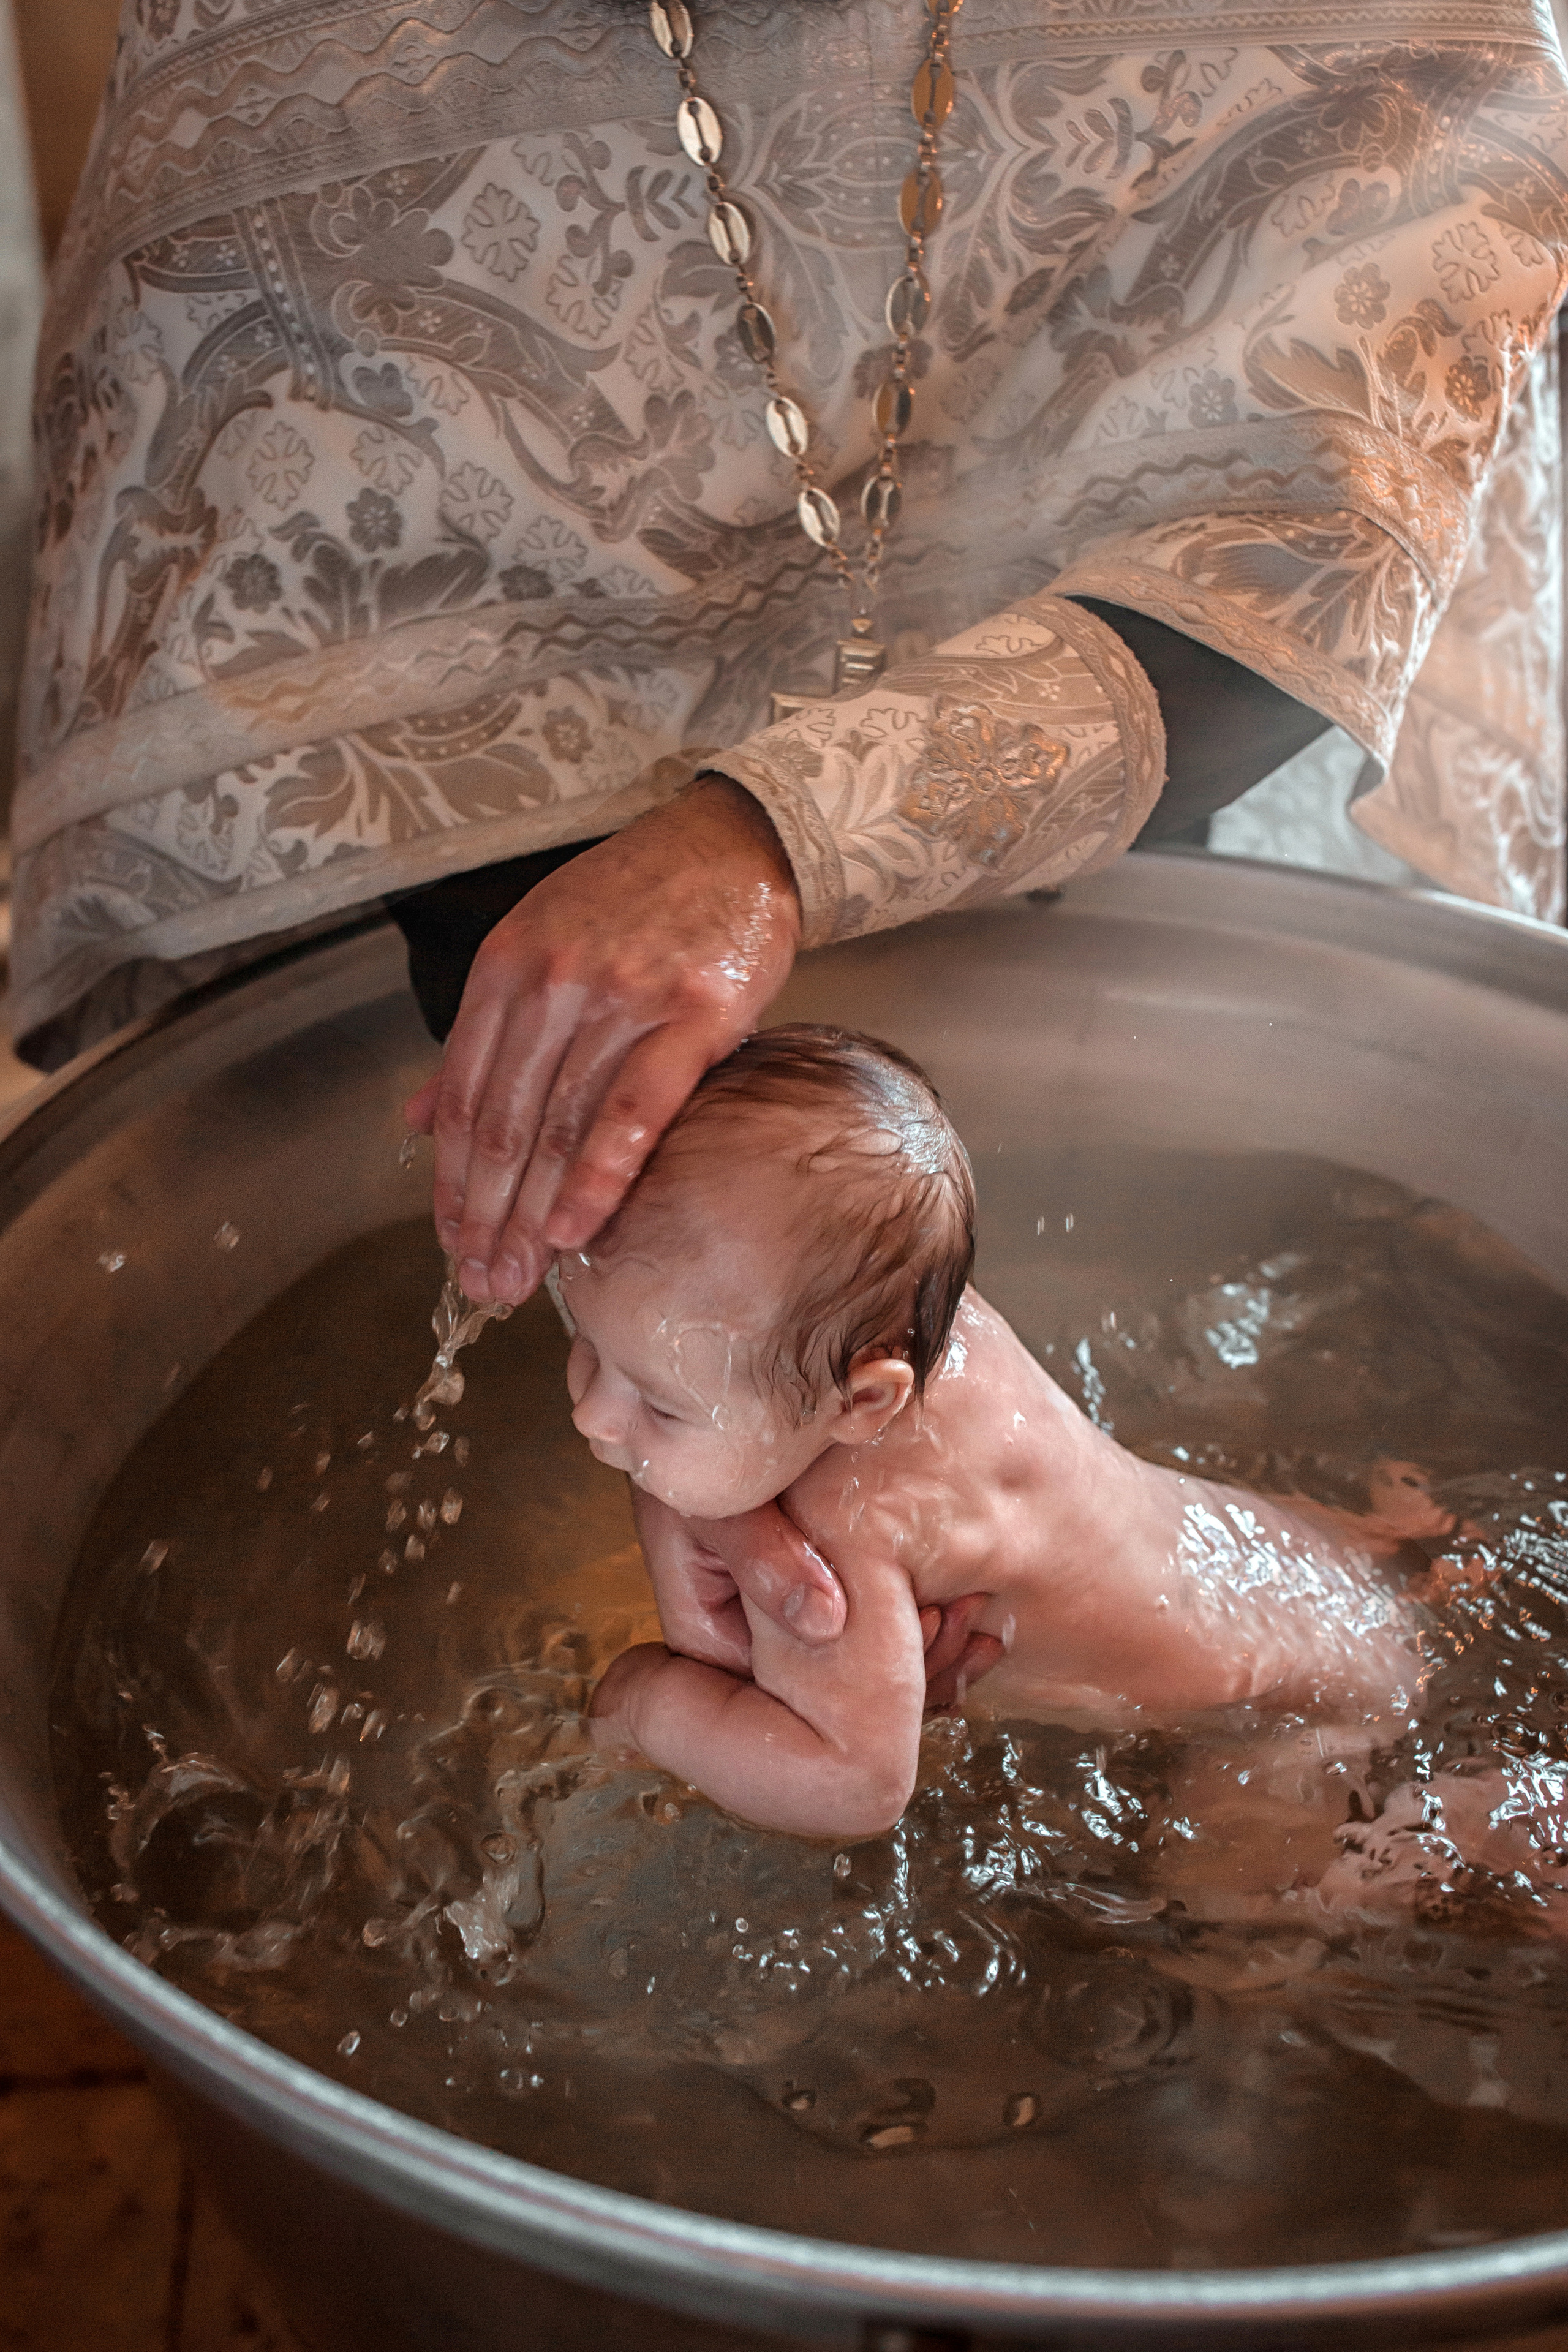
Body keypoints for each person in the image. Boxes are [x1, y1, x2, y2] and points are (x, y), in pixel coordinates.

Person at [17, 0, 1568, 1640]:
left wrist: (781, 835)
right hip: (532, 808)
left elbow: (1338, 451)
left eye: (640, 1402)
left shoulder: (849, 1602)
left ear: (882, 1396)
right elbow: (311, 534)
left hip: (1173, 754)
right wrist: (651, 1248)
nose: (594, 1418)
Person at [570, 1024, 1422, 1836]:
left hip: (1284, 1722)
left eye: (659, 1404)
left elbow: (855, 1787)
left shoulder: (847, 1525)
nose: (591, 1415)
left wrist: (649, 1702)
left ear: (863, 1404)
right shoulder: (888, 1315)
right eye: (584, 1343)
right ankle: (1415, 1559)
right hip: (1308, 1577)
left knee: (1219, 1945)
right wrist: (666, 1438)